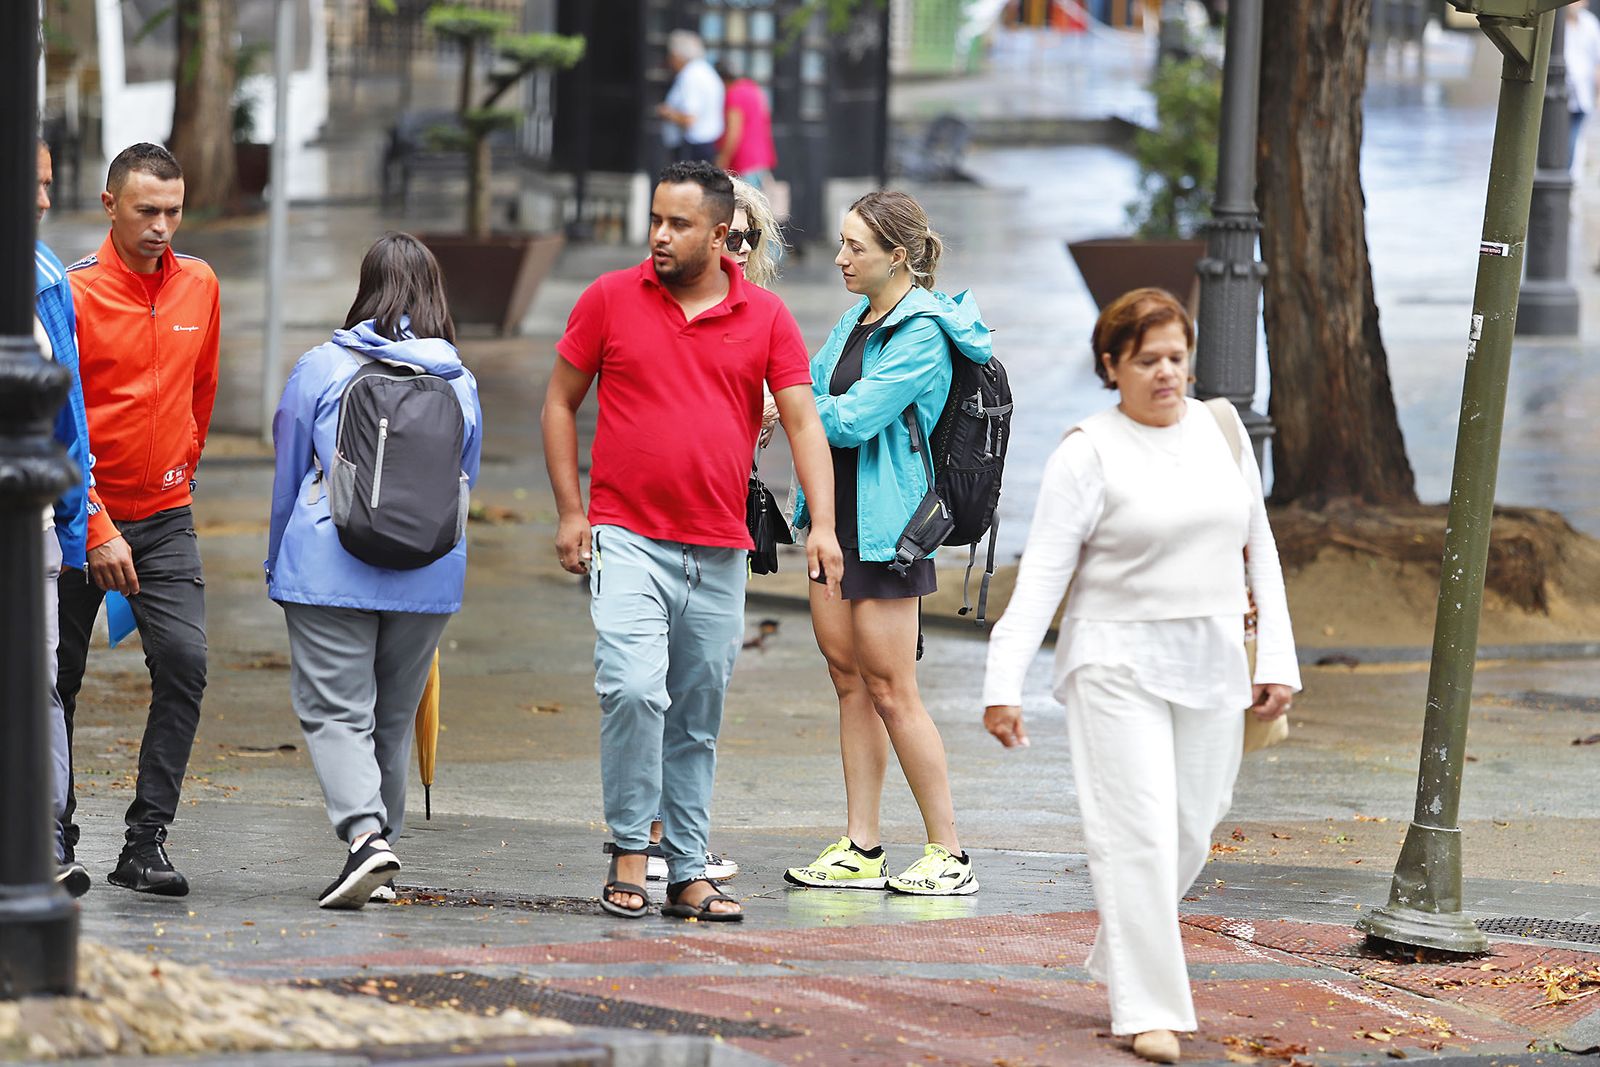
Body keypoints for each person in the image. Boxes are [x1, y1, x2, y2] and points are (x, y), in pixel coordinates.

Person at [979, 288, 1300, 1064]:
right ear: (1111, 364)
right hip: (1112, 662)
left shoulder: (1221, 430)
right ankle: (1149, 1008)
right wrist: (1002, 682)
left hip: (1215, 656)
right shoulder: (1087, 451)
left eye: (1177, 359)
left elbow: (1260, 547)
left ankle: (1122, 948)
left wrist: (1280, 660)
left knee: (1194, 823)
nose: (1166, 374)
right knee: (1139, 836)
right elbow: (1043, 578)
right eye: (1148, 359)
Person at [543, 160, 843, 923]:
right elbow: (558, 403)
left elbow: (803, 420)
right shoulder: (610, 298)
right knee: (635, 689)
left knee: (698, 712)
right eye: (655, 220)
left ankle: (686, 869)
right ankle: (628, 851)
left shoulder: (767, 319)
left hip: (719, 546)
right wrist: (571, 511)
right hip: (626, 536)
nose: (659, 236)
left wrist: (825, 528)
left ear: (719, 236)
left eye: (677, 224)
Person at [784, 191, 993, 897]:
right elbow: (808, 388)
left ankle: (949, 852)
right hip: (833, 518)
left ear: (897, 255)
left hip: (888, 530)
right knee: (850, 683)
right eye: (841, 243)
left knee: (893, 688)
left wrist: (785, 406)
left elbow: (844, 419)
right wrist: (788, 403)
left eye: (855, 247)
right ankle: (862, 844)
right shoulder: (855, 319)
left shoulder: (925, 333)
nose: (840, 257)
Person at [266, 233, 482, 910]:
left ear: (364, 287)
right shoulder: (460, 380)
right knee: (389, 717)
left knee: (335, 709)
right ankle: (379, 853)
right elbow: (463, 477)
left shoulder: (321, 367)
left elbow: (287, 470)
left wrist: (278, 559)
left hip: (330, 566)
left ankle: (365, 839)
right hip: (429, 573)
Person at [60, 142, 220, 897]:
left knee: (185, 665)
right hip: (72, 517)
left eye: (174, 211)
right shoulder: (73, 293)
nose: (162, 226)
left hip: (162, 514)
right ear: (109, 205)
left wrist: (180, 469)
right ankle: (49, 831)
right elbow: (54, 422)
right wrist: (94, 524)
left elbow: (203, 390)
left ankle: (144, 841)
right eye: (146, 210)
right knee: (57, 676)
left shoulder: (201, 285)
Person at [626, 174, 787, 886]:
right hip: (650, 527)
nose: (739, 253)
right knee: (649, 684)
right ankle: (654, 839)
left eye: (749, 241)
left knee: (697, 690)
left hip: (721, 525)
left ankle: (676, 836)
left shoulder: (760, 317)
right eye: (734, 237)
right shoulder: (673, 307)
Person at [35, 139, 94, 898]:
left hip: (29, 523)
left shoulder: (45, 277)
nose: (46, 201)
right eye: (32, 184)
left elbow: (68, 419)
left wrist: (75, 525)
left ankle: (44, 834)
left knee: (35, 679)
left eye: (50, 185)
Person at [656, 31, 724, 164]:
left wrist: (666, 113)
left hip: (692, 146)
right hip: (705, 142)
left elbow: (689, 118)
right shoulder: (705, 70)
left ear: (678, 56)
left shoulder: (691, 75)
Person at [716, 70, 777, 189]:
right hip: (760, 156)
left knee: (744, 202)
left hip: (743, 160)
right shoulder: (752, 87)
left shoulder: (734, 94)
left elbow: (733, 131)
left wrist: (723, 158)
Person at [1567, 3, 1600, 170]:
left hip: (1582, 92)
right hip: (1558, 90)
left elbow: (1597, 61)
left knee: (1572, 137)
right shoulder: (1558, 25)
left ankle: (1567, 174)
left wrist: (1597, 94)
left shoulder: (1589, 24)